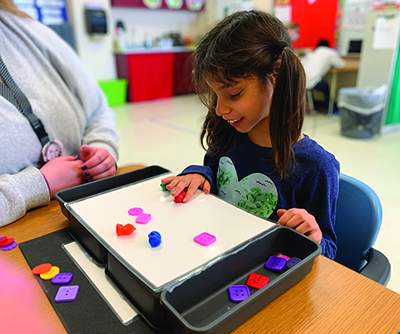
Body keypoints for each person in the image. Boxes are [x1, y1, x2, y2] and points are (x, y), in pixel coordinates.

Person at [161, 11, 339, 259]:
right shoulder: (229, 134)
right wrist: (199, 174)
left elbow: (329, 252)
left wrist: (313, 236)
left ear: (275, 75)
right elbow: (216, 180)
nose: (220, 109)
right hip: (219, 256)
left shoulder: (317, 166)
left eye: (233, 94)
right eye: (216, 95)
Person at [0, 2, 119, 227]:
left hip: (83, 211)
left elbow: (98, 109)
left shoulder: (26, 27)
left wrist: (103, 149)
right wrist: (37, 184)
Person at [301, 39, 345, 111]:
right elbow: (341, 64)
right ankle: (330, 110)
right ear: (328, 46)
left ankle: (314, 108)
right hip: (313, 81)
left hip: (302, 81)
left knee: (308, 89)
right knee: (326, 87)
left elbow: (302, 64)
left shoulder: (312, 54)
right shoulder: (331, 53)